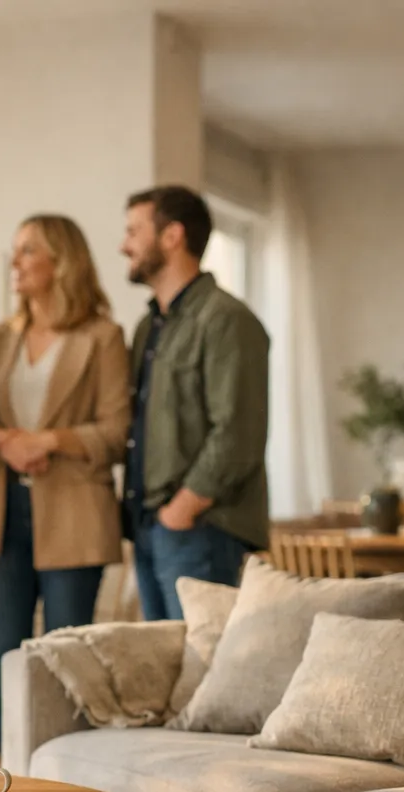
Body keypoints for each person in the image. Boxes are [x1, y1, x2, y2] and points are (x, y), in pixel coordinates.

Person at [0, 214, 131, 735]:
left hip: (74, 514)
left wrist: (48, 441)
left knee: (65, 653)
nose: (15, 261)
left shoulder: (103, 337)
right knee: (2, 652)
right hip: (2, 509)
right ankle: (3, 766)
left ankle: (59, 770)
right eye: (16, 250)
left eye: (28, 250)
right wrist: (4, 442)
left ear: (62, 261)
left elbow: (116, 430)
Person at [119, 185, 270, 621]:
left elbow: (238, 431)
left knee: (203, 658)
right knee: (163, 659)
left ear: (172, 236)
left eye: (133, 231)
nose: (124, 245)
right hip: (151, 526)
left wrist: (183, 508)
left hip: (201, 528)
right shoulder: (148, 327)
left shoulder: (227, 320)